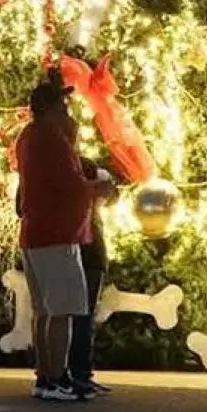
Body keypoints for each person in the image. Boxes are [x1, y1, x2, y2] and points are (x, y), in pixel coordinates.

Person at [15, 76, 107, 402]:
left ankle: (44, 376)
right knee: (62, 310)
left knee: (44, 310)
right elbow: (70, 184)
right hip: (57, 235)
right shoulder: (52, 141)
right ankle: (56, 378)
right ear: (51, 109)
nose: (68, 111)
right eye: (63, 106)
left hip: (36, 233)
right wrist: (98, 188)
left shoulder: (28, 137)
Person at [68, 155, 115, 396]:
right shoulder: (80, 167)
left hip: (85, 252)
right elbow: (110, 192)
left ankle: (77, 372)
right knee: (82, 317)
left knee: (79, 316)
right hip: (89, 253)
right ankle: (79, 373)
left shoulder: (74, 166)